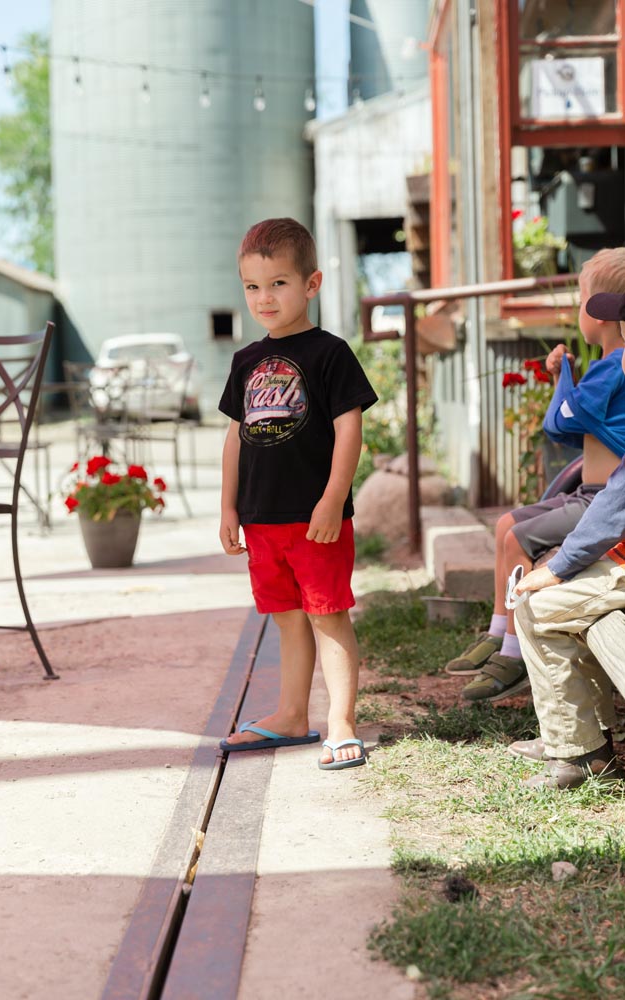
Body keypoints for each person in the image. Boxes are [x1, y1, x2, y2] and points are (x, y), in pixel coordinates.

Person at [217, 217, 377, 770]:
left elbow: (350, 429)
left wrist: (334, 497)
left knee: (327, 613)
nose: (265, 298)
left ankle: (341, 722)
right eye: (253, 287)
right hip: (262, 519)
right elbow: (236, 437)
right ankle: (290, 714)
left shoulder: (330, 354)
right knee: (286, 616)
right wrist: (228, 508)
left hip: (315, 519)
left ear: (311, 284)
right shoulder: (244, 362)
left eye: (278, 283)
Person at [445, 247, 625, 703]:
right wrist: (566, 380)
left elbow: (560, 423)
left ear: (600, 312)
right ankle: (498, 628)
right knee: (506, 524)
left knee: (517, 538)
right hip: (590, 491)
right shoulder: (609, 368)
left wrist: (564, 372)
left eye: (581, 298)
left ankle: (512, 653)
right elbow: (578, 424)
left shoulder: (610, 368)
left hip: (601, 499)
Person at [509, 289, 625, 789]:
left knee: (535, 606)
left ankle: (579, 751)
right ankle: (593, 740)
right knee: (581, 603)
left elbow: (561, 423)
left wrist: (555, 569)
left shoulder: (611, 369)